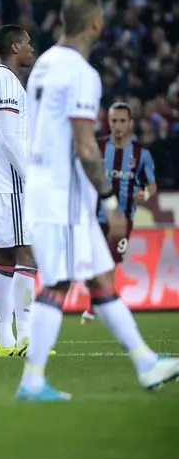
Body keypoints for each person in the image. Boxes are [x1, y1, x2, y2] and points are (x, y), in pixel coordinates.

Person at [18, 0, 179, 401]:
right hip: (63, 194)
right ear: (94, 23)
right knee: (57, 283)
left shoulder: (44, 64)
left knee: (101, 278)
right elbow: (87, 146)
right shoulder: (80, 73)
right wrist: (110, 201)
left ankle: (146, 363)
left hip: (46, 185)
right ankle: (33, 381)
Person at [0, 25, 49, 357]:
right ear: (15, 46)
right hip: (11, 182)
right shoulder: (5, 81)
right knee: (28, 254)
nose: (32, 49)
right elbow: (8, 137)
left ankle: (5, 340)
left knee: (3, 257)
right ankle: (29, 336)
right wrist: (32, 178)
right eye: (29, 44)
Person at [81, 102, 157, 324]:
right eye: (114, 121)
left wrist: (147, 194)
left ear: (130, 123)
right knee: (93, 263)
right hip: (95, 217)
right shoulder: (98, 148)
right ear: (109, 122)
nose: (118, 125)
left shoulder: (141, 155)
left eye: (123, 121)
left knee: (111, 262)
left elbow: (152, 185)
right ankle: (99, 301)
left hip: (122, 220)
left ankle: (95, 307)